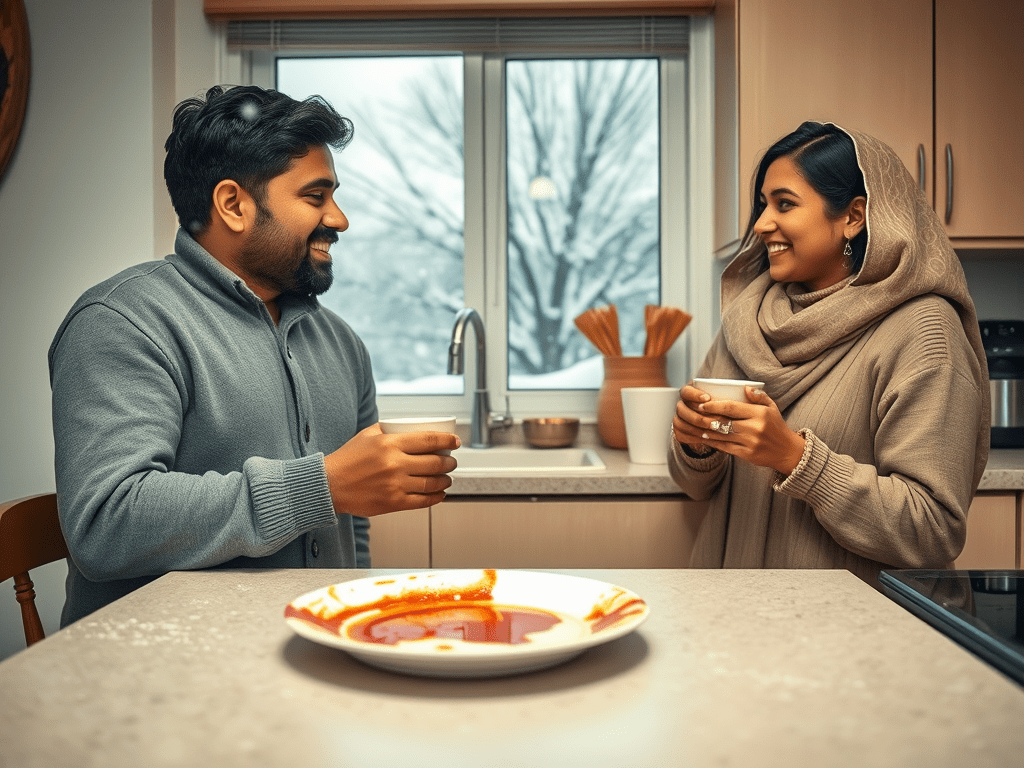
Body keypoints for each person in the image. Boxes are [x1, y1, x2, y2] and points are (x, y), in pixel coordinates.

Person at [49, 85, 460, 626]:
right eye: (315, 197)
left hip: (313, 654)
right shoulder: (122, 323)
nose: (339, 220)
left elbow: (351, 521)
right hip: (156, 678)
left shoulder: (341, 344)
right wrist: (321, 486)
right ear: (234, 205)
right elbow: (105, 524)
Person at [669, 121, 990, 587]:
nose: (761, 224)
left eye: (784, 204)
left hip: (847, 632)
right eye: (762, 205)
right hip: (733, 613)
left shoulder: (923, 331)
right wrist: (696, 445)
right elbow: (698, 486)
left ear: (853, 216)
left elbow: (931, 531)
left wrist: (797, 458)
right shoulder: (748, 319)